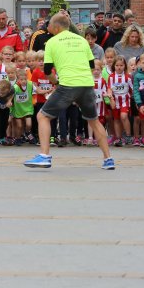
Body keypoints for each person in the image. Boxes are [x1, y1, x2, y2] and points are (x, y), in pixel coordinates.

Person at [23, 13, 114, 170]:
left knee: (42, 116)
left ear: (56, 27)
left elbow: (47, 70)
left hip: (67, 84)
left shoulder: (52, 42)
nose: (47, 27)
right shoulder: (82, 40)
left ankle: (44, 156)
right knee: (94, 120)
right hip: (86, 84)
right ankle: (108, 159)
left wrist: (56, 82)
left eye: (49, 25)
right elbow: (91, 66)